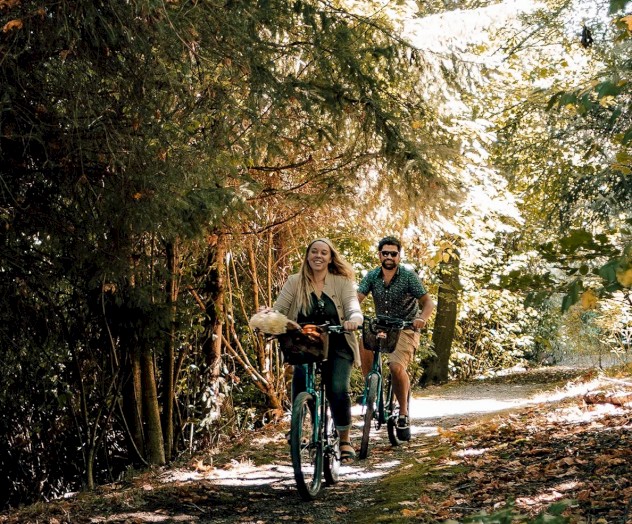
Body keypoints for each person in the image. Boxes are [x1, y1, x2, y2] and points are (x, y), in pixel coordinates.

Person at [273, 238, 363, 463]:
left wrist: (354, 319)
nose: (318, 256)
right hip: (306, 344)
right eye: (314, 251)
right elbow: (279, 309)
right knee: (302, 379)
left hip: (338, 342)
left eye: (324, 253)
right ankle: (307, 427)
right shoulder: (295, 282)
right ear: (307, 255)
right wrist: (269, 317)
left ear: (330, 258)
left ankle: (344, 439)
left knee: (337, 387)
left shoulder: (342, 282)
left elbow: (353, 307)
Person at [357, 235, 435, 441]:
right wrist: (351, 314)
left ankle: (403, 414)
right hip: (381, 325)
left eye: (393, 253)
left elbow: (428, 303)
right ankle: (370, 388)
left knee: (395, 366)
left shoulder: (409, 277)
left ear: (399, 256)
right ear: (379, 255)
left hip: (405, 327)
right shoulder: (372, 276)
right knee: (363, 341)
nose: (389, 257)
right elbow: (357, 299)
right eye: (385, 253)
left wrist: (421, 318)